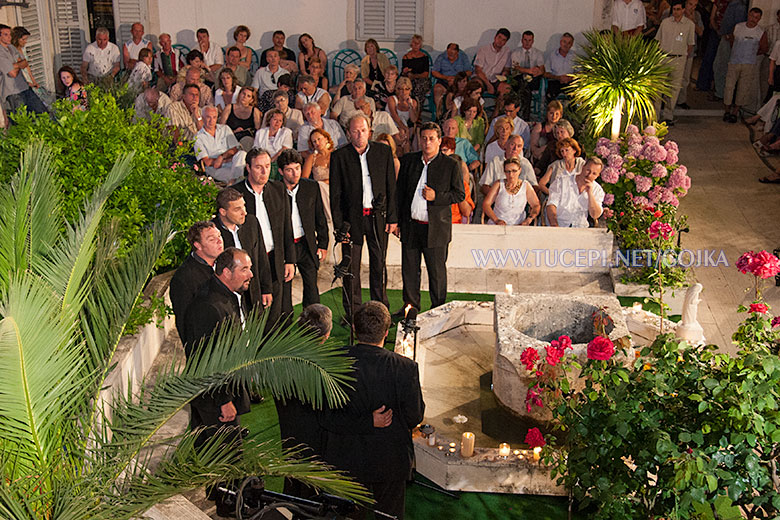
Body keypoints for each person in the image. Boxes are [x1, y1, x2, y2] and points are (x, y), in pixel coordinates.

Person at [320, 301, 424, 520]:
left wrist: (366, 422)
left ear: (355, 329)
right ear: (387, 332)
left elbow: (327, 418)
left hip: (346, 459)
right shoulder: (406, 368)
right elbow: (414, 417)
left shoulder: (333, 362)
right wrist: (371, 421)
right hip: (389, 462)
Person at [182, 247, 252, 515]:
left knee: (218, 453)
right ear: (226, 272)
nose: (251, 274)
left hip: (222, 394)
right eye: (244, 269)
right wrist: (224, 401)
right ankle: (227, 507)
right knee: (227, 458)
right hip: (215, 398)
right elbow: (206, 360)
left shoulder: (229, 296)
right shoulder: (207, 307)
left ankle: (221, 499)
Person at [329, 114, 397, 322]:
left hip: (377, 218)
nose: (360, 135)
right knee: (350, 268)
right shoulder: (339, 156)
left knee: (379, 265)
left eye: (363, 130)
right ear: (348, 133)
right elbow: (336, 195)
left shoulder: (383, 152)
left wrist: (392, 218)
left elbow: (390, 186)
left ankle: (380, 311)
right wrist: (340, 226)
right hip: (352, 221)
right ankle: (352, 313)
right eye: (355, 131)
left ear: (370, 131)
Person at [395, 122, 464, 311]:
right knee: (410, 270)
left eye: (431, 139)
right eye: (423, 138)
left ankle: (438, 308)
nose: (427, 142)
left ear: (439, 141)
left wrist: (437, 197)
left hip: (436, 228)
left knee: (437, 272)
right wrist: (398, 222)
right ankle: (410, 306)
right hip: (411, 225)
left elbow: (459, 194)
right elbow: (399, 193)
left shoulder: (451, 165)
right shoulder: (409, 161)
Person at [230, 148, 296, 331]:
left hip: (275, 257)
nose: (264, 171)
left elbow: (286, 227)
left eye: (267, 166)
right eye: (258, 167)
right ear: (248, 168)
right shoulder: (236, 194)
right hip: (250, 262)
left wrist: (290, 260)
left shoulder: (278, 189)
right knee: (253, 308)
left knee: (278, 309)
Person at [276, 303, 333, 498]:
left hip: (289, 434)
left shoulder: (282, 356)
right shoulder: (323, 366)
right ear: (326, 334)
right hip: (315, 442)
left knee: (292, 485)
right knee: (310, 495)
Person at [278, 149, 329, 309]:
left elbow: (320, 217)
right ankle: (284, 325)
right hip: (285, 246)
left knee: (312, 289)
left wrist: (323, 244)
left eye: (298, 168)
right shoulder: (274, 190)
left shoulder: (311, 187)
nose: (295, 173)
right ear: (281, 171)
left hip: (306, 243)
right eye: (289, 170)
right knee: (284, 290)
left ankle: (314, 326)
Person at [212, 188, 273, 312]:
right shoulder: (212, 232)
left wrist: (266, 289)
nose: (244, 212)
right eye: (237, 209)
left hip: (253, 294)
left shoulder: (251, 222)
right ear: (223, 212)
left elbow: (261, 257)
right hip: (228, 298)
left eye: (243, 206)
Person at [169, 221, 224, 348]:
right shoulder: (184, 278)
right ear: (197, 245)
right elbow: (184, 324)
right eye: (211, 239)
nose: (219, 241)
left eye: (219, 236)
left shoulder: (223, 264)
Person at [655, 0, 696, 125]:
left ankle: (668, 116)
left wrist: (682, 55)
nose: (676, 12)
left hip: (679, 58)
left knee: (673, 89)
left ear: (683, 10)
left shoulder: (689, 25)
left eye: (678, 9)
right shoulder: (665, 23)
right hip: (663, 57)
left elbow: (690, 44)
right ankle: (655, 116)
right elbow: (658, 40)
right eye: (674, 9)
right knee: (658, 89)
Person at [723, 7, 767, 123]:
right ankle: (727, 110)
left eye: (757, 18)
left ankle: (735, 112)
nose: (754, 19)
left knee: (743, 89)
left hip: (749, 64)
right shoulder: (738, 27)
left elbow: (764, 48)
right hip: (734, 62)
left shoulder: (760, 32)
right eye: (752, 16)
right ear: (748, 15)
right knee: (729, 86)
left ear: (759, 19)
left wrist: (751, 53)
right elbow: (732, 41)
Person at [0, 24, 48, 116]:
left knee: (43, 114)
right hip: (12, 92)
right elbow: (13, 73)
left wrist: (15, 65)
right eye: (6, 35)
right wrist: (18, 65)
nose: (9, 37)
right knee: (22, 120)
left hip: (24, 87)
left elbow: (25, 63)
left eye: (10, 34)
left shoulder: (11, 47)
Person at [547, 156, 605, 227]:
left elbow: (595, 215)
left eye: (594, 173)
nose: (589, 175)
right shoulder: (561, 182)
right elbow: (551, 205)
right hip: (560, 224)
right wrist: (555, 226)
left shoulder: (597, 189)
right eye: (588, 170)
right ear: (583, 167)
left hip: (581, 228)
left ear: (598, 176)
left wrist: (590, 193)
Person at [194, 105, 247, 183]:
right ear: (203, 117)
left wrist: (222, 157)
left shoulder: (225, 129)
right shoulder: (198, 137)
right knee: (237, 176)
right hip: (215, 169)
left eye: (214, 117)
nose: (211, 121)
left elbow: (234, 149)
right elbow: (207, 162)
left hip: (232, 163)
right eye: (208, 117)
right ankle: (236, 181)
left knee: (242, 154)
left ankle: (233, 181)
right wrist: (226, 160)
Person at [482, 157, 541, 226]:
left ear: (519, 170)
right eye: (508, 171)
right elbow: (486, 204)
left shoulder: (526, 185)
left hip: (519, 226)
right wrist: (496, 220)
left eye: (514, 171)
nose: (511, 175)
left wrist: (529, 219)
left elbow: (536, 205)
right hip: (497, 225)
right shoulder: (498, 184)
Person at [511, 30, 545, 120]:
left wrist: (537, 71)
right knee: (524, 86)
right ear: (522, 40)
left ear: (533, 41)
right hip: (520, 78)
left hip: (533, 79)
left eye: (529, 40)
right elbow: (516, 67)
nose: (527, 42)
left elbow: (542, 69)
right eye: (525, 40)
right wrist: (529, 71)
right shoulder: (515, 52)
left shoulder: (538, 53)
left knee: (526, 87)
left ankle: (523, 114)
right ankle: (525, 116)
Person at [302, 128, 335, 221]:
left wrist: (327, 182)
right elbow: (304, 178)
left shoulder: (336, 154)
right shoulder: (312, 157)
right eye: (314, 141)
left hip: (335, 187)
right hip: (319, 190)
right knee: (320, 187)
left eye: (319, 139)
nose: (317, 143)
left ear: (326, 139)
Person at [440, 137, 475, 224]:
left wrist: (457, 190)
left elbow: (466, 212)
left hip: (456, 223)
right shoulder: (436, 181)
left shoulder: (463, 185)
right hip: (438, 222)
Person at [432, 43, 472, 115]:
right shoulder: (441, 57)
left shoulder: (463, 57)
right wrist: (446, 78)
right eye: (449, 53)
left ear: (457, 52)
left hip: (459, 81)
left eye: (453, 54)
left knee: (462, 90)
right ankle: (439, 114)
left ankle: (457, 113)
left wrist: (457, 78)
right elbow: (434, 72)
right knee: (437, 89)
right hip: (444, 81)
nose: (450, 56)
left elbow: (469, 71)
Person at [219, 86, 262, 151]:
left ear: (251, 100)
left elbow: (258, 131)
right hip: (230, 137)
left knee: (247, 141)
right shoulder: (229, 108)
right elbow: (221, 128)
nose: (244, 97)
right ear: (239, 94)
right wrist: (234, 131)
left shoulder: (255, 111)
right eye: (243, 94)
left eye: (248, 96)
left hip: (247, 140)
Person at [386, 76, 419, 154]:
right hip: (390, 124)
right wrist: (405, 128)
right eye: (401, 89)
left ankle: (405, 161)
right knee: (402, 134)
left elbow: (414, 120)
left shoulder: (413, 102)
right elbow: (394, 116)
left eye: (407, 89)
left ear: (410, 90)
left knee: (405, 138)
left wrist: (410, 106)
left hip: (404, 127)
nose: (404, 92)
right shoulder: (392, 99)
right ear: (397, 89)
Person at [474, 28, 512, 96]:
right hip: (482, 78)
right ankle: (476, 106)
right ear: (495, 37)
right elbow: (478, 70)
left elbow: (507, 69)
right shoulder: (484, 50)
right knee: (475, 87)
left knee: (506, 88)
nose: (500, 41)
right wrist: (488, 84)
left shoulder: (507, 52)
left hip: (496, 80)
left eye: (503, 40)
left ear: (505, 42)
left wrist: (504, 75)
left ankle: (499, 106)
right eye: (499, 37)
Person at [544, 32, 576, 101]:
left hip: (570, 82)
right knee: (550, 95)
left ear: (572, 45)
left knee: (575, 96)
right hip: (555, 81)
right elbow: (546, 73)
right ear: (560, 42)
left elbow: (580, 72)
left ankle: (571, 112)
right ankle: (552, 111)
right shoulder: (552, 55)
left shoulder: (575, 56)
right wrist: (558, 78)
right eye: (564, 42)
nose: (566, 45)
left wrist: (570, 78)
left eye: (569, 43)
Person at [401, 34, 431, 106]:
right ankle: (412, 108)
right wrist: (405, 72)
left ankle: (416, 109)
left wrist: (415, 76)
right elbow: (404, 74)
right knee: (410, 85)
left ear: (420, 45)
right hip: (410, 80)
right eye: (414, 43)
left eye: (418, 44)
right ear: (411, 44)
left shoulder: (424, 57)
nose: (415, 45)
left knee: (419, 87)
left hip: (423, 80)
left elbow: (426, 74)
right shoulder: (406, 57)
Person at [10, 27, 39, 91]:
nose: (25, 42)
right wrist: (26, 83)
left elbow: (27, 66)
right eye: (23, 39)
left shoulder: (22, 49)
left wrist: (33, 81)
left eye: (26, 39)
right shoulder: (11, 52)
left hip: (27, 80)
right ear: (16, 39)